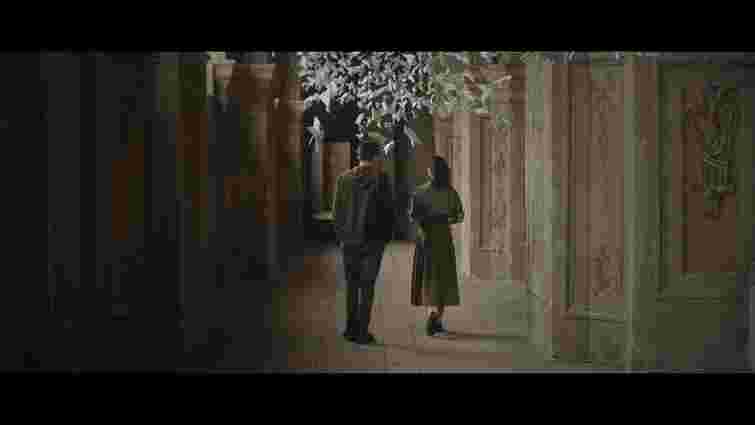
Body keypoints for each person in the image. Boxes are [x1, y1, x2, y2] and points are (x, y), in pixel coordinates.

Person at [332, 140, 396, 346]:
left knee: (352, 285)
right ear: (375, 157)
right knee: (367, 287)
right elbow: (389, 212)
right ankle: (362, 332)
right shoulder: (382, 179)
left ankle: (350, 329)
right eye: (380, 157)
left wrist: (343, 237)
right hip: (373, 242)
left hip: (349, 241)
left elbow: (337, 212)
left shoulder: (343, 179)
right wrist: (385, 239)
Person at [409, 155, 464, 337]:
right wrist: (445, 218)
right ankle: (436, 319)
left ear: (430, 172)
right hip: (443, 239)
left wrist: (426, 220)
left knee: (428, 277)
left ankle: (433, 317)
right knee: (443, 279)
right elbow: (459, 216)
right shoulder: (451, 192)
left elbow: (413, 217)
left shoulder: (419, 192)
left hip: (426, 239)